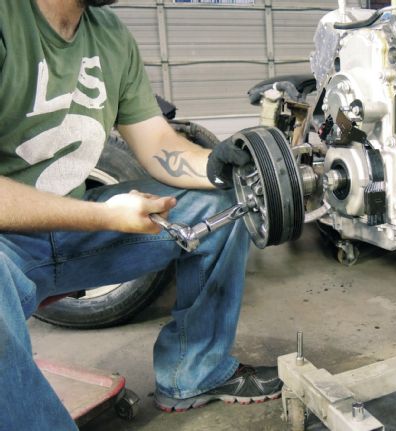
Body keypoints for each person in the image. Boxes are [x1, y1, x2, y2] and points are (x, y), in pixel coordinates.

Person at [0, 0, 282, 429]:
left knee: (225, 201)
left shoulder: (110, 35)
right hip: (9, 245)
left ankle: (194, 372)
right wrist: (102, 218)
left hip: (75, 231)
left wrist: (217, 167)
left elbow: (155, 145)